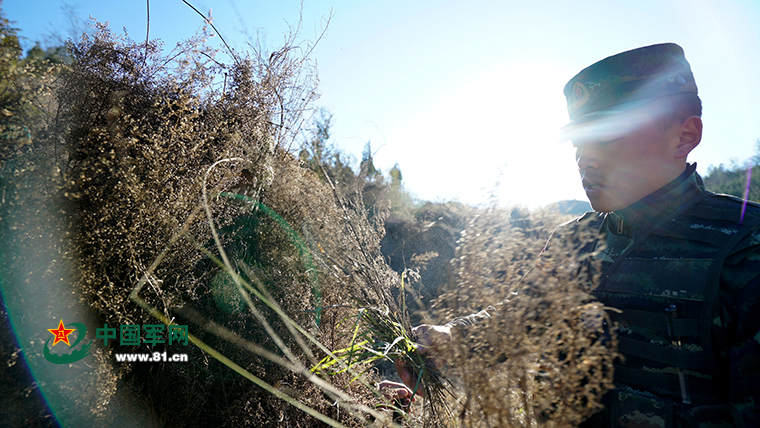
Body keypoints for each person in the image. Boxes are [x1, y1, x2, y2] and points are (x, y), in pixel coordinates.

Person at [388, 43, 760, 427]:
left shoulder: (744, 251)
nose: (585, 159)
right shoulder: (573, 240)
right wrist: (451, 339)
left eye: (608, 136)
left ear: (685, 136)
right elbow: (518, 319)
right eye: (578, 143)